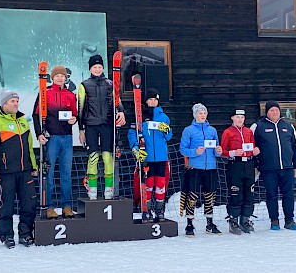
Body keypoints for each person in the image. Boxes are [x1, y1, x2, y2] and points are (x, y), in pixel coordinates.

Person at [0, 89, 37, 248]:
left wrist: (32, 166)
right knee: (6, 205)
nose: (16, 103)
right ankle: (6, 235)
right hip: (5, 173)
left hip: (25, 171)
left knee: (29, 204)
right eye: (12, 101)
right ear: (4, 103)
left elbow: (29, 147)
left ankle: (25, 234)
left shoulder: (23, 121)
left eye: (17, 100)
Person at [33, 65, 78, 219]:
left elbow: (75, 114)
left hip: (67, 137)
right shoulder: (45, 93)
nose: (60, 78)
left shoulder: (70, 95)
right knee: (49, 174)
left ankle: (66, 206)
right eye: (57, 76)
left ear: (66, 78)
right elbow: (35, 115)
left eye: (62, 76)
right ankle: (49, 206)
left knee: (66, 174)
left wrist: (74, 120)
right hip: (51, 138)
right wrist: (39, 133)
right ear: (52, 77)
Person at [78, 54, 126, 200]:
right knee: (93, 157)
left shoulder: (110, 84)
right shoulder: (84, 85)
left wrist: (122, 112)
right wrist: (81, 130)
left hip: (107, 124)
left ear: (103, 68)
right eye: (94, 67)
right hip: (91, 125)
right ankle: (92, 189)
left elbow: (117, 101)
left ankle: (108, 188)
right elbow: (80, 108)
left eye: (99, 67)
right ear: (90, 68)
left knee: (107, 156)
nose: (97, 69)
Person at [251, 100, 296, 231]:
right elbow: (252, 148)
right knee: (271, 195)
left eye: (277, 110)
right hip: (268, 169)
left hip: (287, 168)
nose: (275, 112)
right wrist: (255, 166)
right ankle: (274, 221)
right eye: (272, 110)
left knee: (288, 195)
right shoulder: (258, 126)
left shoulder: (288, 126)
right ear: (266, 112)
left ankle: (289, 220)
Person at [128, 88, 172, 222]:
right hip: (146, 156)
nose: (152, 102)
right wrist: (136, 148)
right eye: (150, 100)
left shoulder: (163, 116)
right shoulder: (139, 115)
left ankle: (159, 210)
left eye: (155, 100)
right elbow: (132, 133)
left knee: (160, 183)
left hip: (161, 156)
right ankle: (146, 209)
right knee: (147, 184)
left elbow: (169, 136)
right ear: (146, 101)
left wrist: (167, 130)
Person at [179, 103, 223, 237]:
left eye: (204, 113)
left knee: (210, 196)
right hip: (194, 168)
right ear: (195, 115)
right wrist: (194, 152)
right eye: (200, 113)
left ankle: (210, 223)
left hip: (210, 167)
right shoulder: (189, 130)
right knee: (192, 196)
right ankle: (189, 224)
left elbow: (216, 149)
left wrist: (218, 151)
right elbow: (183, 149)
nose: (203, 115)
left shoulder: (212, 130)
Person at [220, 108, 260, 234]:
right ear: (232, 118)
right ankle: (233, 221)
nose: (240, 120)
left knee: (249, 192)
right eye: (237, 117)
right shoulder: (228, 132)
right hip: (235, 164)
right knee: (236, 193)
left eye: (242, 117)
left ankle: (245, 220)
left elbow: (253, 146)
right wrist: (233, 152)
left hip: (248, 164)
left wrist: (255, 151)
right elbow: (222, 151)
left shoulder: (248, 131)